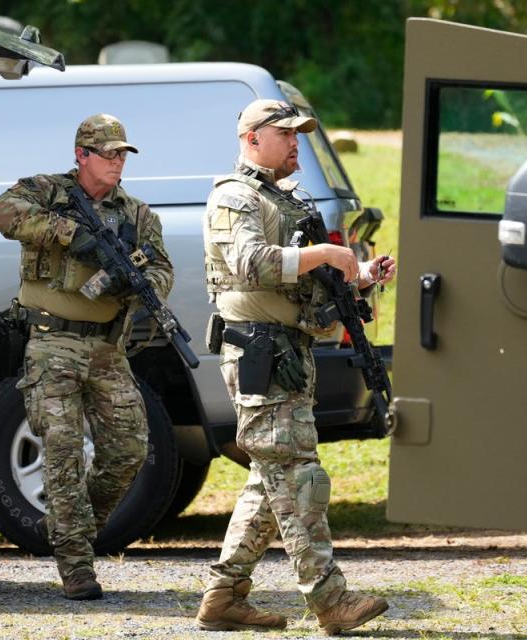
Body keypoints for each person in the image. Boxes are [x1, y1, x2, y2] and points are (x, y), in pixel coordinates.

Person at [196, 99, 396, 634]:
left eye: (298, 134)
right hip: (260, 353)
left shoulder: (281, 199)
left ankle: (222, 597)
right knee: (299, 475)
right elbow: (250, 262)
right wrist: (328, 256)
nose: (295, 143)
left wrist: (360, 275)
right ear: (252, 138)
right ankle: (331, 601)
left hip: (285, 353)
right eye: (285, 134)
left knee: (270, 479)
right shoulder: (234, 197)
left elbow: (302, 276)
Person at [0, 113, 174, 600]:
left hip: (107, 348)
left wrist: (139, 285)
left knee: (128, 449)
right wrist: (71, 235)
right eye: (109, 154)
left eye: (122, 155)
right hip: (51, 342)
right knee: (64, 450)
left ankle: (71, 526)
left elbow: (161, 267)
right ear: (82, 156)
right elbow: (2, 213)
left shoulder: (137, 215)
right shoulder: (47, 191)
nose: (117, 163)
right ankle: (76, 564)